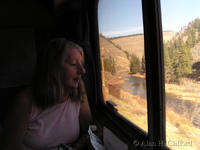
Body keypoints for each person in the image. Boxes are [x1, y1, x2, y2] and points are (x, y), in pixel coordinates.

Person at [0, 38, 92, 150]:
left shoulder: (79, 94)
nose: (82, 70)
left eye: (81, 63)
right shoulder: (25, 101)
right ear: (53, 68)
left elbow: (89, 132)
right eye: (73, 64)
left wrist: (75, 148)